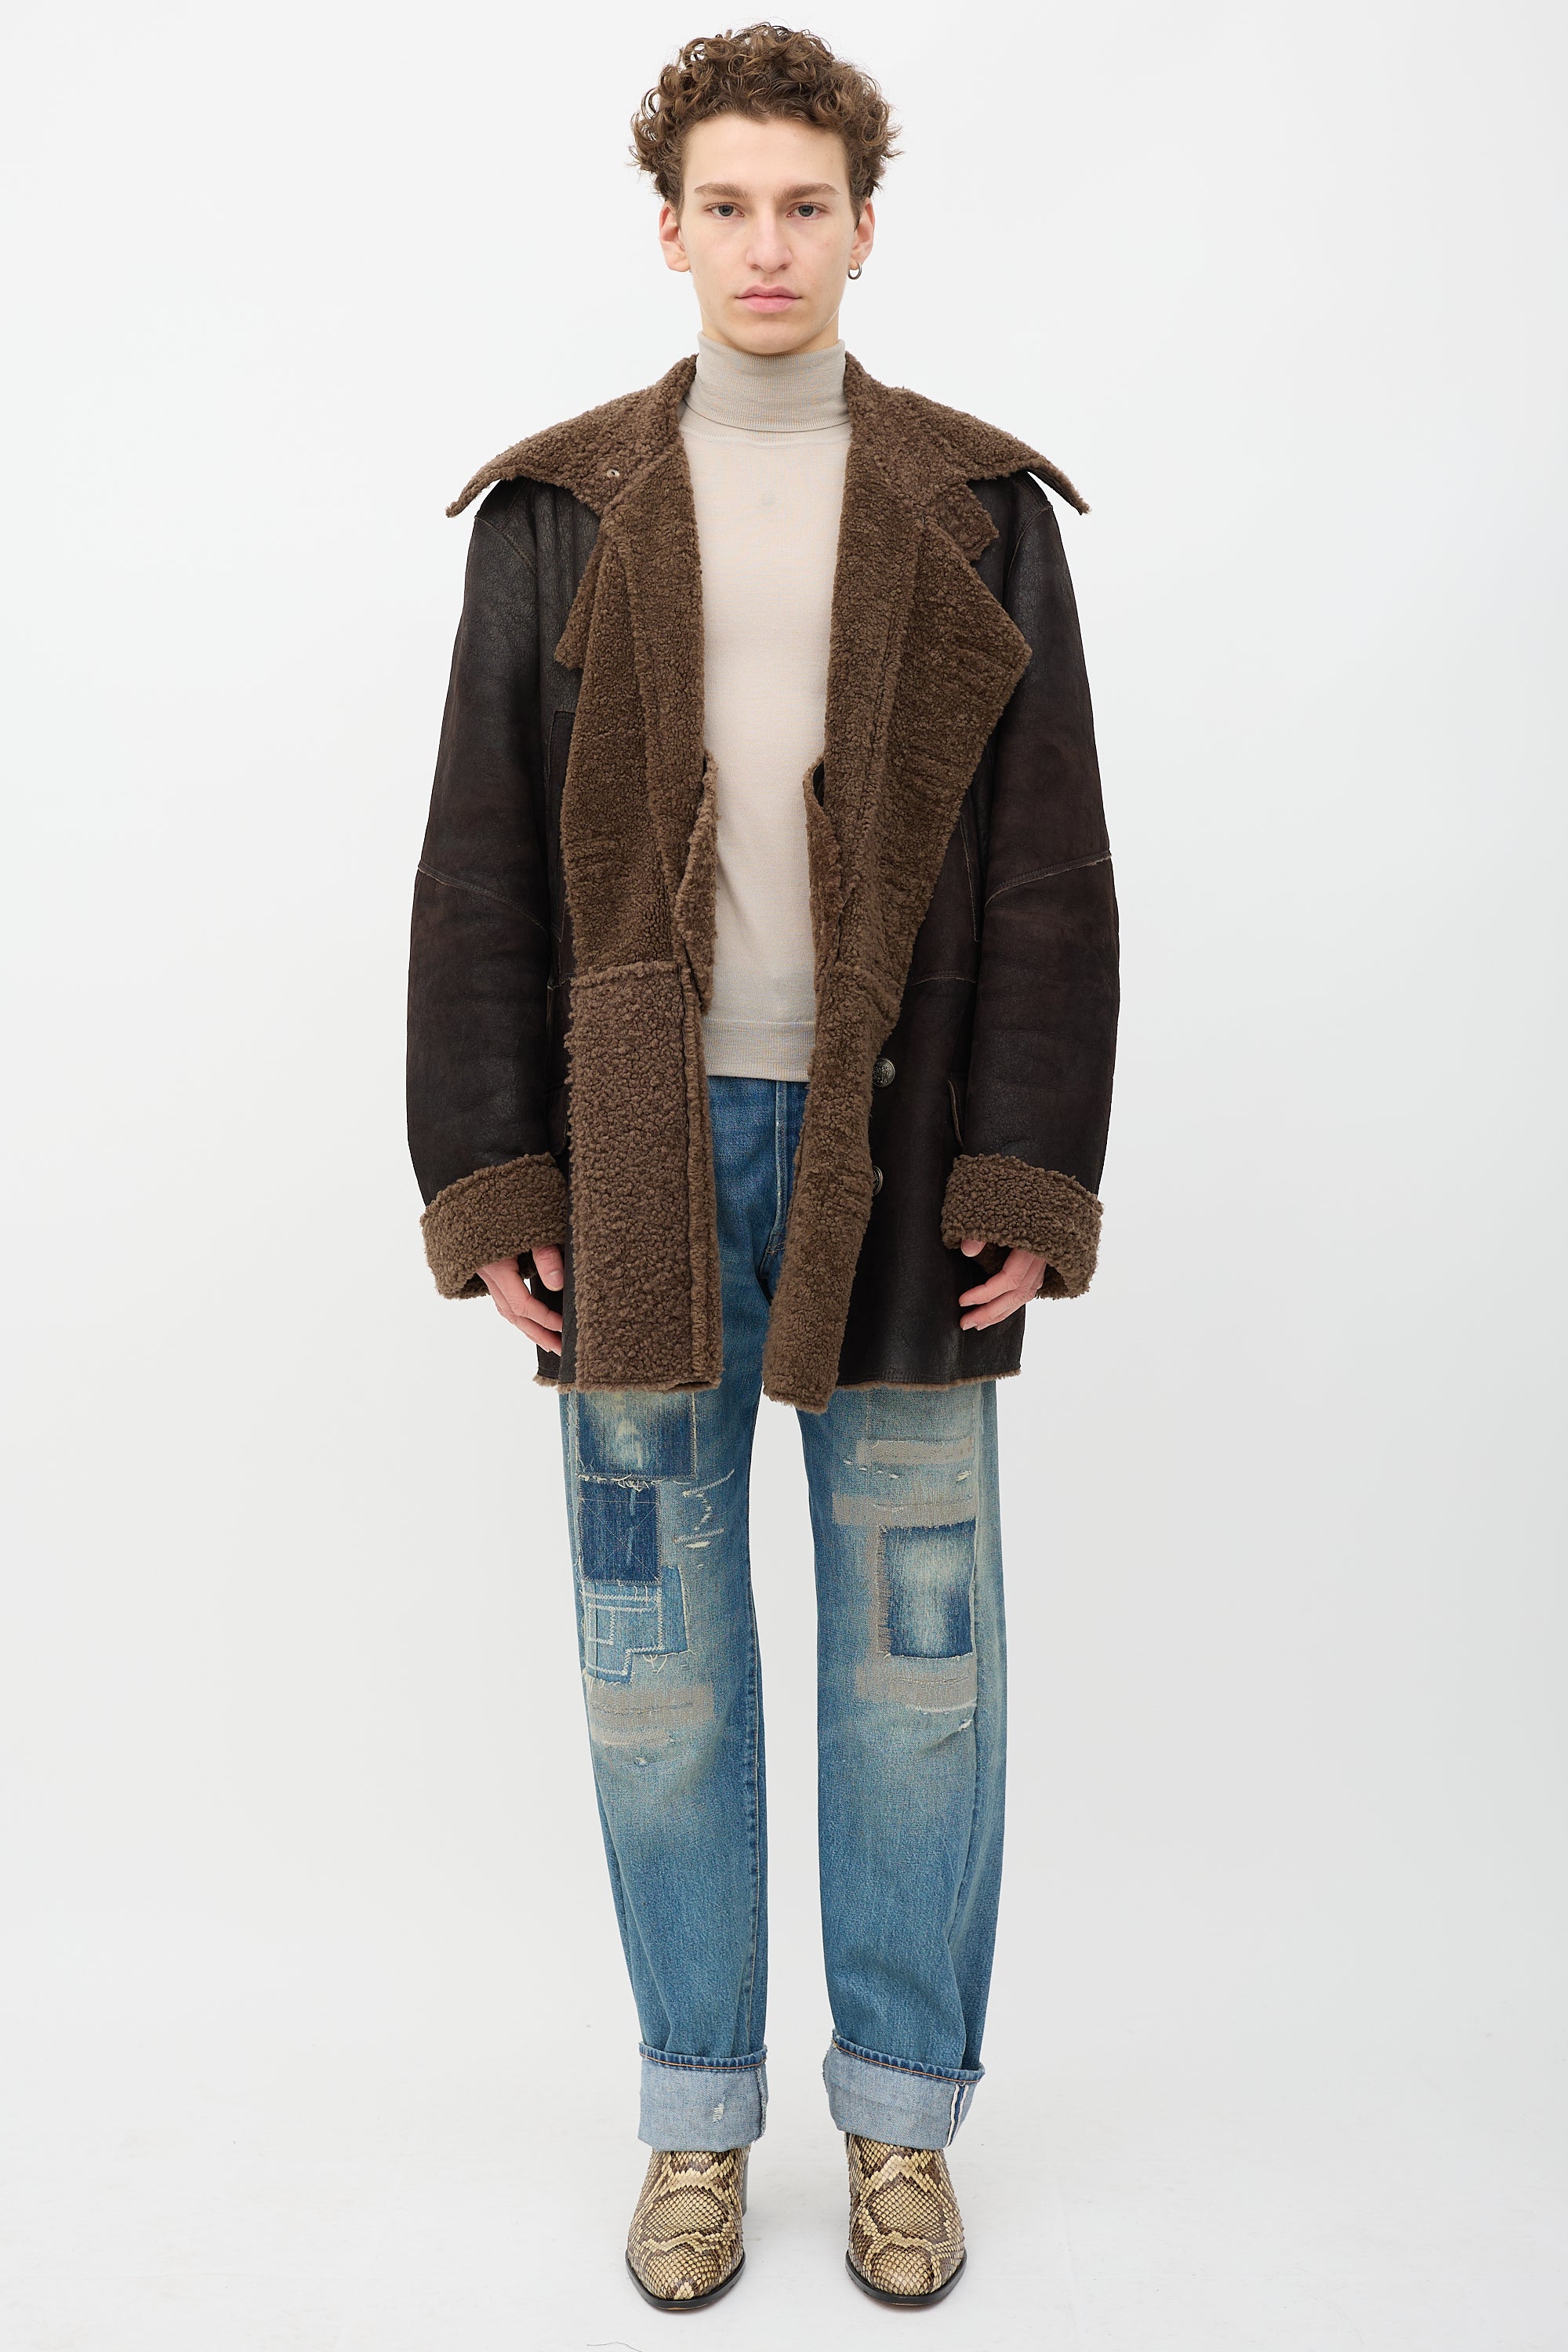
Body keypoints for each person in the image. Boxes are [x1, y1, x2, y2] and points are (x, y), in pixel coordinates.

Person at [406, 22, 1117, 2311]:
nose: (768, 243)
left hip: (903, 1152)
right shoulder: (559, 513)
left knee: (921, 1667)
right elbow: (477, 865)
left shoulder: (978, 506)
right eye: (728, 204)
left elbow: (1052, 866)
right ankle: (694, 2127)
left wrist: (1029, 1159)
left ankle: (901, 2125)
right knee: (656, 1663)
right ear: (671, 232)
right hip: (636, 1154)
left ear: (865, 226)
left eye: (806, 204)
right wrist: (492, 1176)